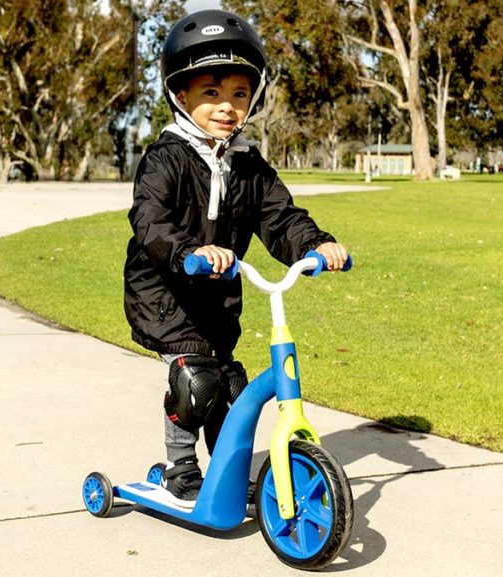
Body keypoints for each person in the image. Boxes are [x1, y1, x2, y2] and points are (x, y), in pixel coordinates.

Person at [123, 9, 349, 510]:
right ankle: (179, 469)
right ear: (181, 96)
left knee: (228, 385)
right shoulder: (166, 158)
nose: (227, 107)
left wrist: (315, 245)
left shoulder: (248, 164)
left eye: (239, 95)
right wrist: (187, 252)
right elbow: (149, 218)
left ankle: (225, 469)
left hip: (219, 293)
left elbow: (280, 217)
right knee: (195, 379)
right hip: (164, 291)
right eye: (211, 93)